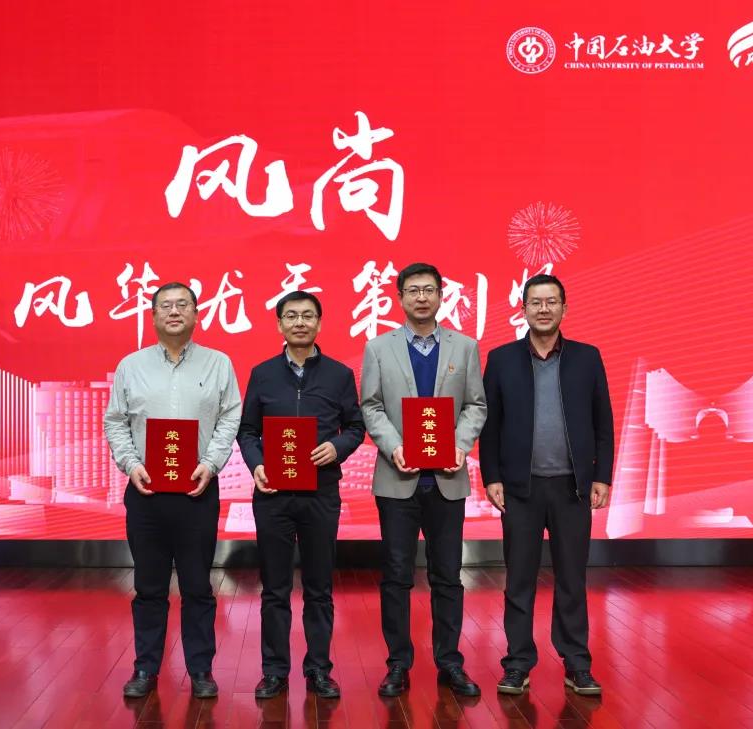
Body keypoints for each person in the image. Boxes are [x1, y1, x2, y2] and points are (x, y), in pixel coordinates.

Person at [104, 282, 241, 699]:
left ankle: (201, 669)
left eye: (183, 304)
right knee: (149, 587)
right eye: (166, 305)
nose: (175, 311)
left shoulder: (218, 363)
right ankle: (145, 667)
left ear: (197, 314)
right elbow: (115, 421)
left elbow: (230, 418)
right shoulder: (131, 365)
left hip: (198, 491)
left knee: (198, 585)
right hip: (146, 493)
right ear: (153, 316)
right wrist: (131, 464)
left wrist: (211, 463)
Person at [479, 273, 613, 697]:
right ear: (523, 309)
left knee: (572, 579)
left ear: (564, 308)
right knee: (519, 579)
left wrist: (602, 476)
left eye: (551, 301)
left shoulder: (587, 358)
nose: (543, 309)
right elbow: (489, 425)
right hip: (521, 489)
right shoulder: (502, 359)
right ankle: (517, 663)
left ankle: (577, 664)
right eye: (535, 302)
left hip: (572, 488)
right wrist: (492, 476)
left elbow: (603, 422)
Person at [359, 262, 487, 697]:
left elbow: (476, 405)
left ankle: (450, 663)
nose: (421, 297)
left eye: (429, 290)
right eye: (412, 290)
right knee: (396, 575)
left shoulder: (464, 347)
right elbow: (371, 406)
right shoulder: (379, 348)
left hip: (447, 480)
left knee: (448, 575)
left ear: (440, 295)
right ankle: (398, 664)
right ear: (399, 297)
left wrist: (459, 445)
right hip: (398, 481)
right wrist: (394, 445)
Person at [238, 291, 366, 699]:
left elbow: (356, 427)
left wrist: (337, 447)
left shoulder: (339, 374)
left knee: (319, 586)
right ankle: (274, 671)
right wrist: (257, 464)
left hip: (320, 492)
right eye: (291, 316)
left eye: (308, 316)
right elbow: (247, 431)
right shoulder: (262, 373)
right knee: (274, 587)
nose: (299, 322)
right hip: (273, 493)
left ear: (319, 323)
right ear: (279, 324)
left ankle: (319, 670)